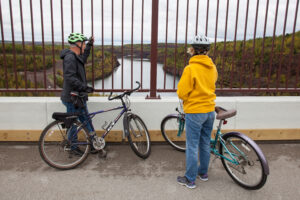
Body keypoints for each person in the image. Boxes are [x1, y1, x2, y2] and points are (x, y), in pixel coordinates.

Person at [176, 35, 218, 189]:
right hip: (210, 110)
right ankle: (203, 174)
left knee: (192, 145)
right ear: (206, 51)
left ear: (192, 50)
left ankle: (190, 179)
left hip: (195, 111)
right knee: (205, 143)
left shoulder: (190, 68)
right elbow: (212, 84)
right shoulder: (212, 67)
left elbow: (182, 93)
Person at [60, 32, 95, 155]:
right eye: (84, 43)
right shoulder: (70, 57)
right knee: (74, 123)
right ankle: (73, 147)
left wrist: (90, 45)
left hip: (77, 96)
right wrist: (84, 87)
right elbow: (70, 77)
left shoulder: (75, 56)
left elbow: (84, 58)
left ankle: (94, 143)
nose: (84, 46)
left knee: (85, 120)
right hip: (72, 97)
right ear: (78, 44)